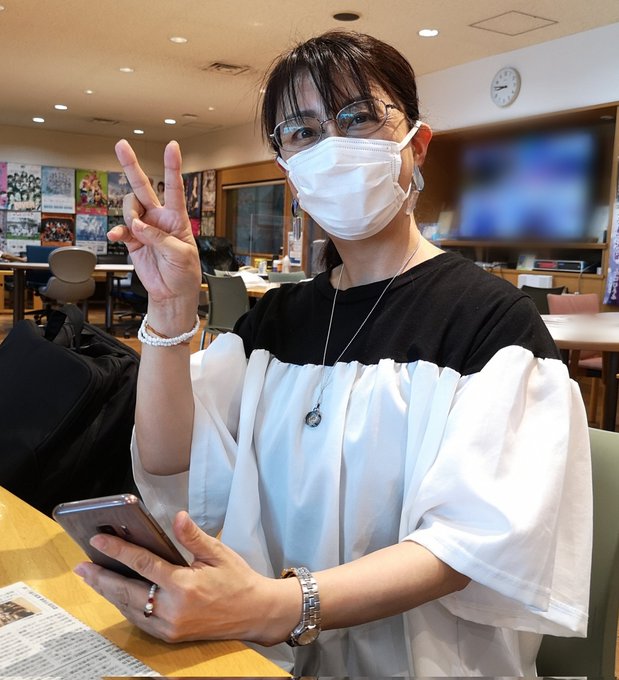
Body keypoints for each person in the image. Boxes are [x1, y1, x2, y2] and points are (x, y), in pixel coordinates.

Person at [74, 31, 592, 676]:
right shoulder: (274, 320)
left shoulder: (489, 323)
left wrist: (279, 606)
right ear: (290, 171)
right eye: (303, 131)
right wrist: (170, 309)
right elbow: (169, 459)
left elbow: (467, 542)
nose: (333, 145)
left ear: (416, 145)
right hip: (260, 655)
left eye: (359, 116)